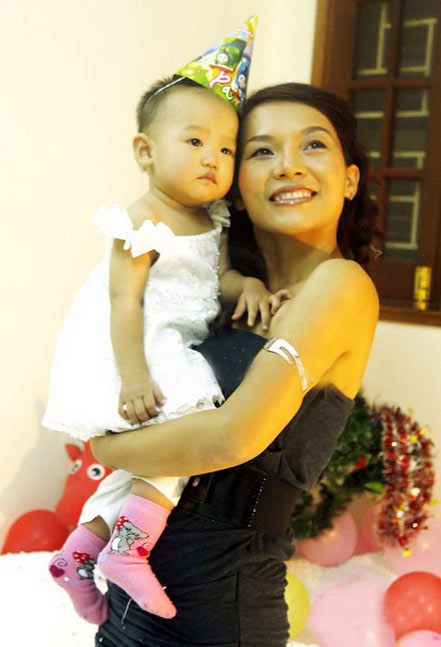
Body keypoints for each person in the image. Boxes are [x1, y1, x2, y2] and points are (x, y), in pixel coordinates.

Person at [90, 81, 380, 647]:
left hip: (220, 615)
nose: (289, 166)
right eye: (262, 150)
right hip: (131, 601)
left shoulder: (339, 285)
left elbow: (234, 435)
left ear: (350, 179)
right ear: (236, 186)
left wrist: (105, 446)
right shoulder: (225, 293)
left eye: (313, 145)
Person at [45, 18, 279, 624]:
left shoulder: (213, 220)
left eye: (225, 149)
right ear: (146, 152)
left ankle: (79, 552)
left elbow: (219, 280)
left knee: (147, 462)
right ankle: (129, 550)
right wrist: (133, 377)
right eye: (195, 141)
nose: (212, 159)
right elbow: (124, 302)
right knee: (191, 435)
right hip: (145, 352)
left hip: (179, 344)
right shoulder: (140, 219)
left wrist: (248, 285)